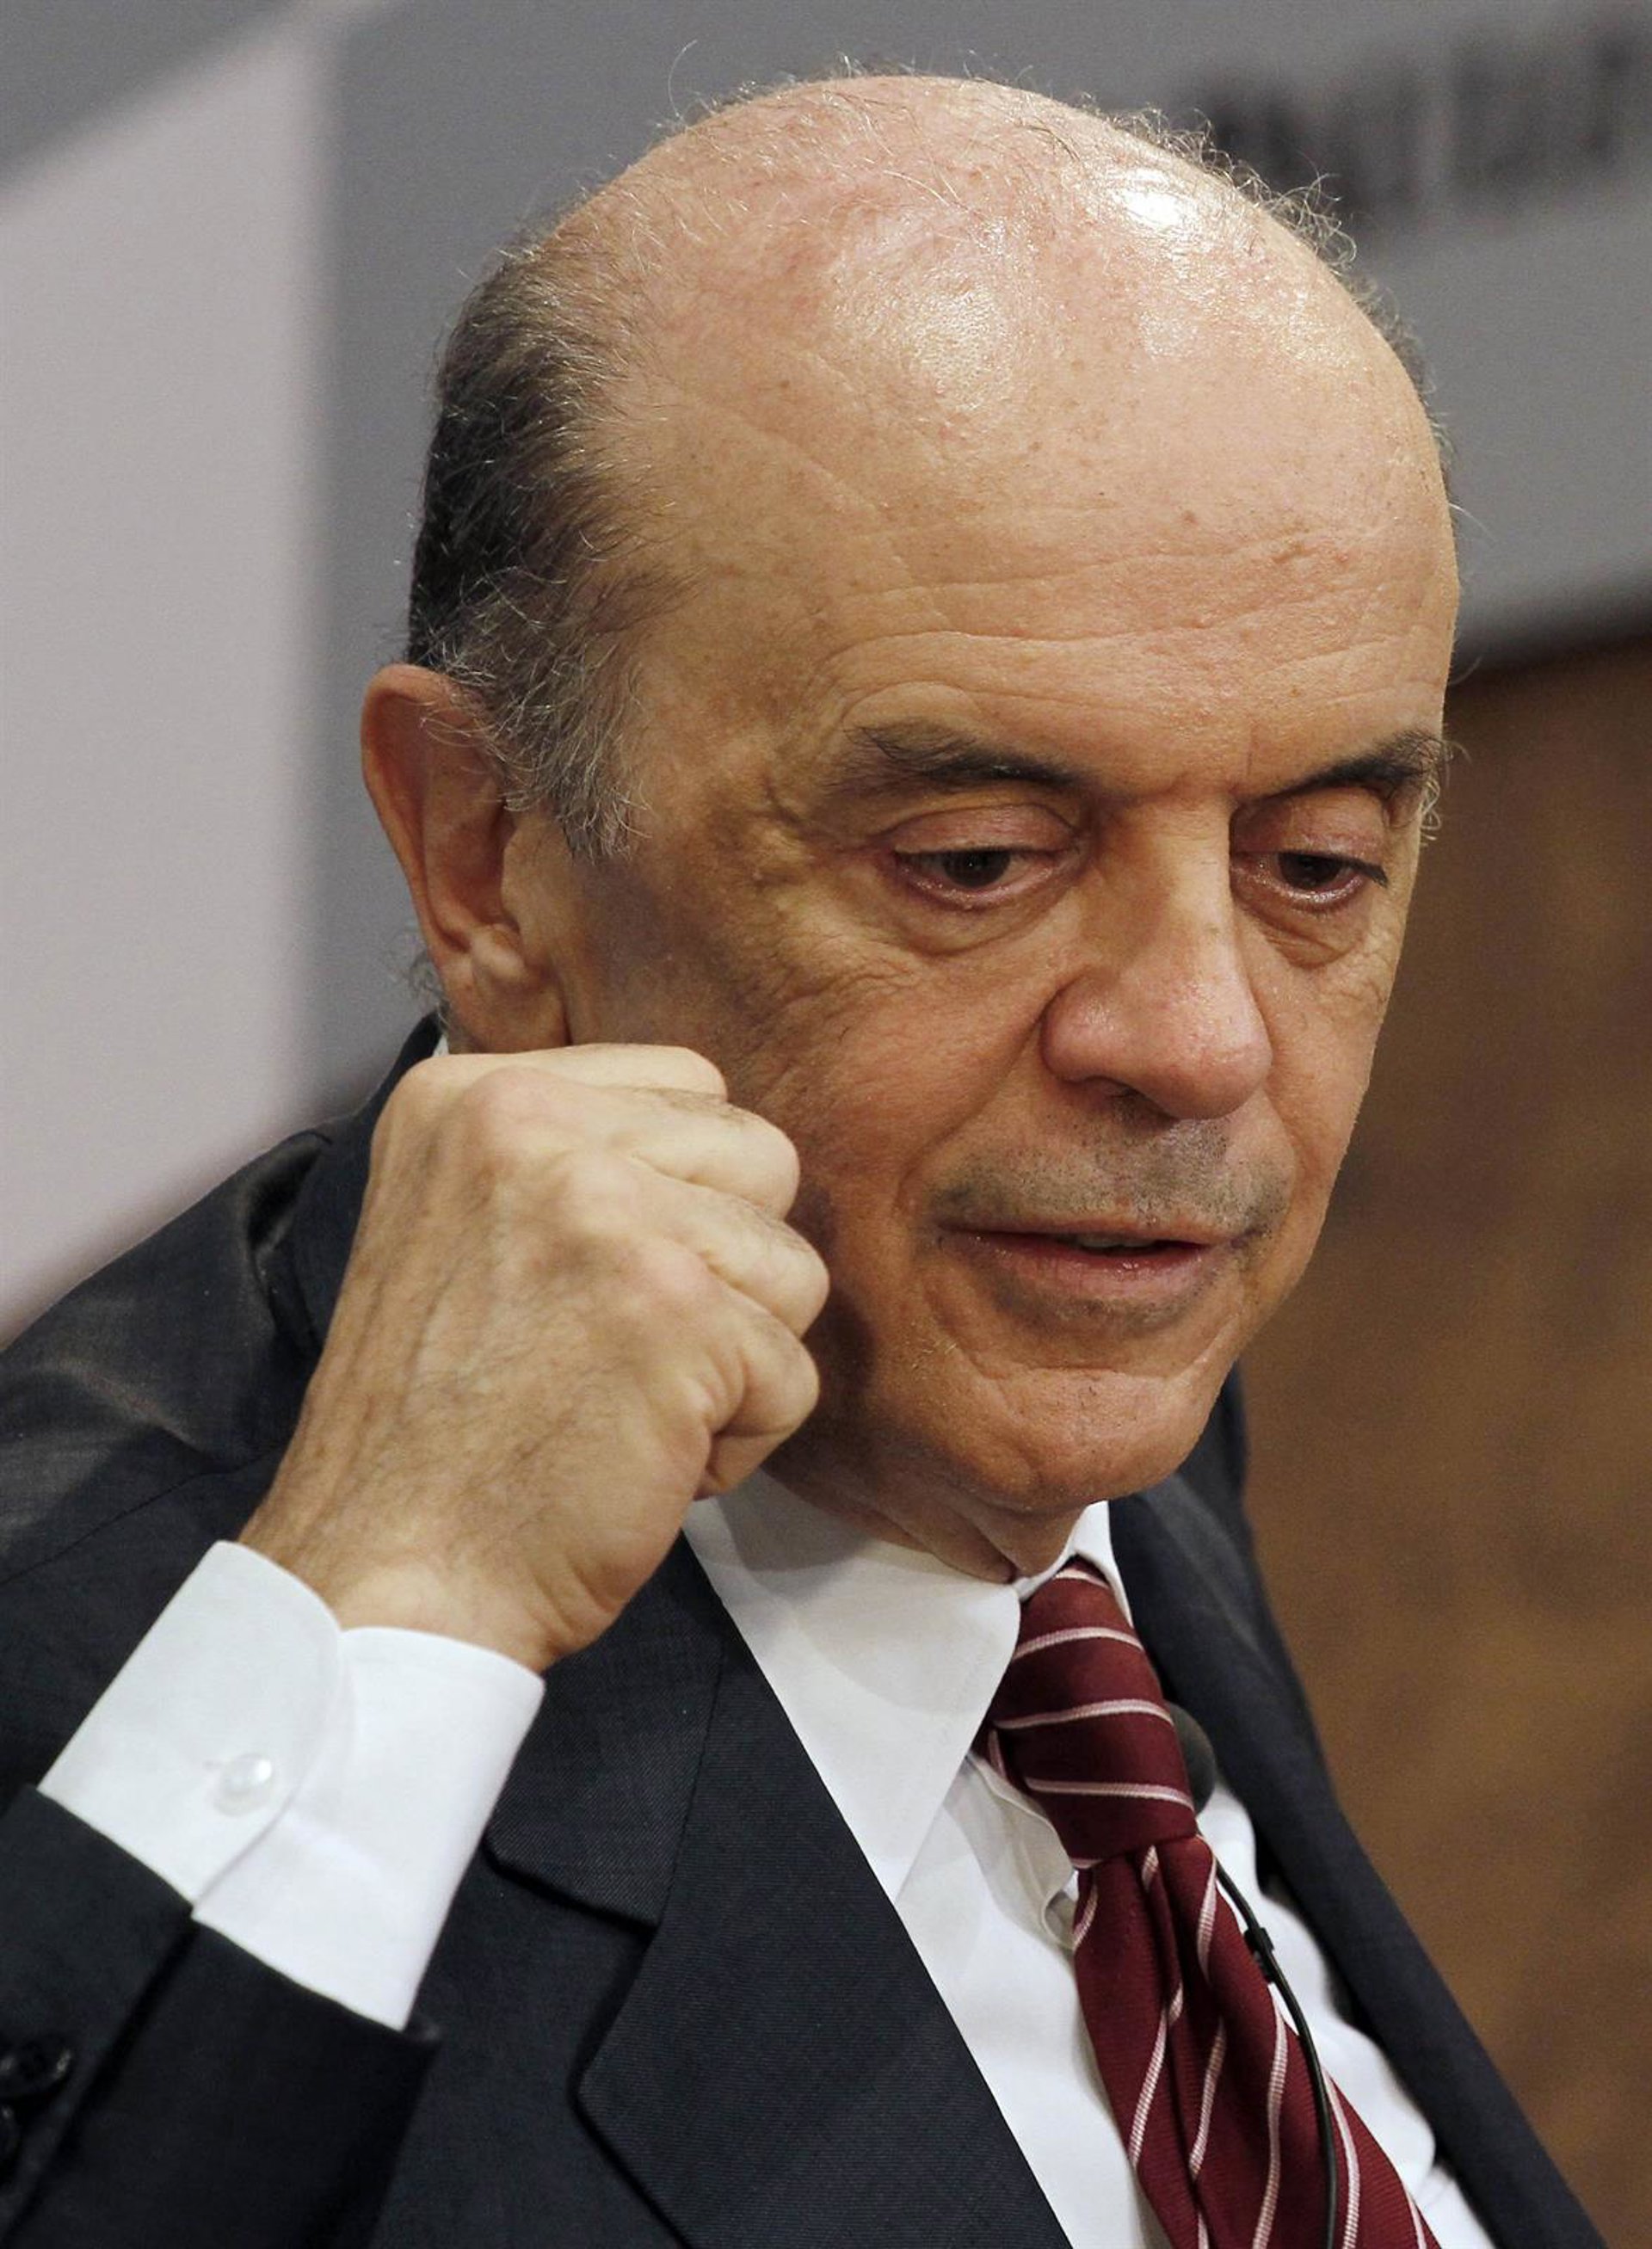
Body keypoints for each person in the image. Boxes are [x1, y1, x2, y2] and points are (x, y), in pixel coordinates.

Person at [0, 71, 1600, 2249]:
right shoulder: (88, 1690)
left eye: (1317, 861)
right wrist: (408, 1606)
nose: (1200, 1040)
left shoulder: (1036, 1330)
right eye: (977, 859)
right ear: (487, 850)